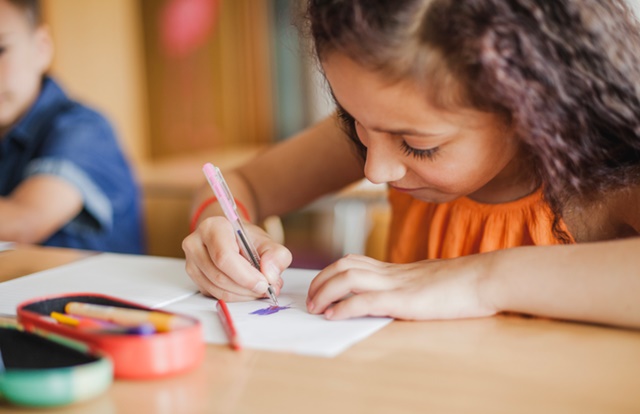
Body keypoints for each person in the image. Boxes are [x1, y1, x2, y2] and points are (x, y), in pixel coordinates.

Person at [183, 0, 640, 329]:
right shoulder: (386, 125)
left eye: (419, 147)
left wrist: (480, 279)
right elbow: (240, 184)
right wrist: (220, 231)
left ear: (531, 107)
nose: (375, 170)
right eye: (352, 119)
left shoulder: (616, 169)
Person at [0, 0, 144, 254]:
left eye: (1, 49)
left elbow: (24, 223)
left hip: (98, 292)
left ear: (41, 48)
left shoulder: (85, 129)